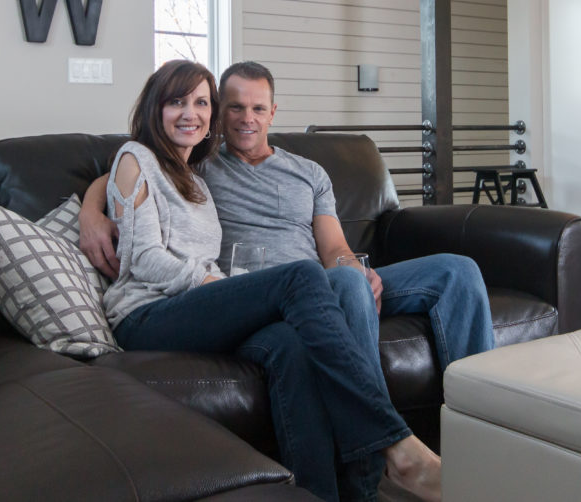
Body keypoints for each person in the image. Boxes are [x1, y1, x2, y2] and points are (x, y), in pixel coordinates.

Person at [100, 60, 441, 502]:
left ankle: (322, 494)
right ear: (155, 107)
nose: (190, 113)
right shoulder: (136, 157)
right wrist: (213, 283)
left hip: (191, 307)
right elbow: (145, 259)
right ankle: (393, 445)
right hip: (145, 314)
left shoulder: (195, 174)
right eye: (177, 102)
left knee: (289, 343)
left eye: (201, 103)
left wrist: (220, 288)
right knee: (303, 276)